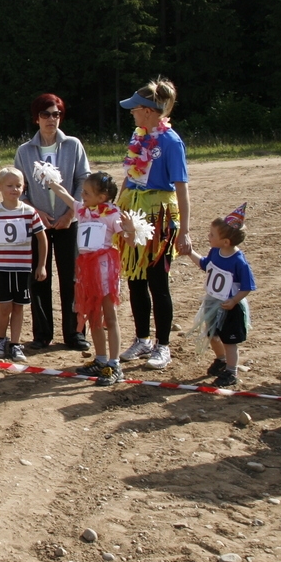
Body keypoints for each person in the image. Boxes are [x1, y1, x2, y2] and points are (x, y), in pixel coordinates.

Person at [119, 79, 193, 370]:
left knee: (157, 283)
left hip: (159, 217)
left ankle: (163, 345)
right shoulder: (138, 136)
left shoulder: (171, 142)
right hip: (134, 214)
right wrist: (117, 205)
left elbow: (182, 188)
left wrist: (184, 231)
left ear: (149, 111)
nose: (132, 114)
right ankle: (142, 338)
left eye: (135, 109)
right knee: (135, 279)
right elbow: (130, 174)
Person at [41, 168, 135, 385]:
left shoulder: (112, 214)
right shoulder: (82, 210)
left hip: (104, 271)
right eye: (82, 192)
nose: (82, 196)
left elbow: (128, 241)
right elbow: (64, 195)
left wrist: (130, 230)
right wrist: (51, 181)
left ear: (102, 198)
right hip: (86, 271)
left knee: (108, 317)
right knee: (92, 316)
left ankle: (114, 364)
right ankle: (100, 360)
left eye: (87, 193)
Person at [14, 93, 91, 351]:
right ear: (36, 118)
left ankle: (76, 333)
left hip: (70, 222)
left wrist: (71, 213)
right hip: (38, 225)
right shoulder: (24, 151)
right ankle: (42, 334)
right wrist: (35, 212)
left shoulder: (73, 145)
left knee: (73, 278)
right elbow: (19, 189)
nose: (51, 119)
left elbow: (83, 180)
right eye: (46, 114)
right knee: (38, 277)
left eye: (56, 114)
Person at [0, 167, 48, 363]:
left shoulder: (30, 212)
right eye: (9, 186)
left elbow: (42, 238)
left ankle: (16, 343)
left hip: (23, 268)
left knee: (19, 307)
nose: (14, 189)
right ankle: (1, 339)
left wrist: (41, 265)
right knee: (4, 306)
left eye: (18, 185)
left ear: (24, 187)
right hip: (2, 268)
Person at [195, 204, 257, 389]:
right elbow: (205, 265)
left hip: (230, 306)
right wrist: (189, 252)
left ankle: (232, 371)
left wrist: (234, 300)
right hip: (213, 302)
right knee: (212, 334)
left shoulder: (239, 261)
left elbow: (247, 286)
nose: (209, 237)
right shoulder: (215, 252)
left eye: (212, 235)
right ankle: (221, 360)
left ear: (226, 242)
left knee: (230, 341)